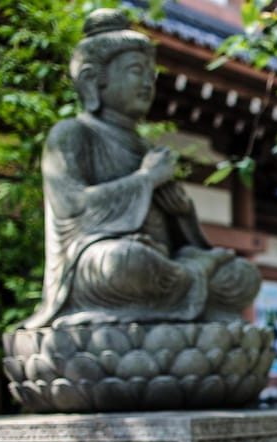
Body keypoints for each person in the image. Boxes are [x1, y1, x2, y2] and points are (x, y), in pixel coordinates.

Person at [24, 8, 259, 328]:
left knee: (242, 275)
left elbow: (179, 236)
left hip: (160, 262)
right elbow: (71, 207)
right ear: (94, 80)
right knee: (122, 263)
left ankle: (192, 278)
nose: (148, 82)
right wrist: (145, 180)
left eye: (152, 73)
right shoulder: (71, 134)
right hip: (104, 264)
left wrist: (180, 212)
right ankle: (194, 277)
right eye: (137, 70)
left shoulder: (146, 147)